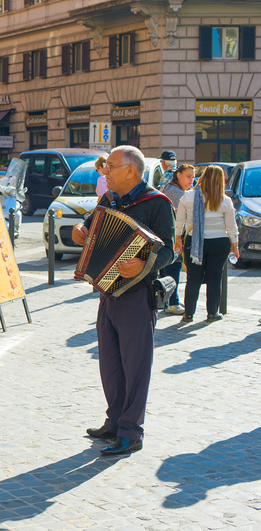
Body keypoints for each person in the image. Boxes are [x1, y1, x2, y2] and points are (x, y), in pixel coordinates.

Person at [71, 145, 175, 455]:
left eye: (111, 166)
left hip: (136, 295)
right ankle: (114, 422)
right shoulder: (108, 199)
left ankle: (131, 431)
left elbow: (169, 251)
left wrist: (144, 265)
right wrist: (81, 231)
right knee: (111, 365)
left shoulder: (157, 203)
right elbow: (90, 225)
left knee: (135, 366)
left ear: (131, 170)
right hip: (107, 291)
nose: (105, 171)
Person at [175, 165, 239, 324]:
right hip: (219, 243)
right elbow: (231, 227)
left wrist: (177, 240)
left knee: (193, 279)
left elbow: (179, 221)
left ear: (203, 177)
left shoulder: (188, 197)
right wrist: (235, 246)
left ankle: (188, 314)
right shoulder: (224, 200)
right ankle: (212, 313)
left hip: (194, 242)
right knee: (214, 278)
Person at [160, 164, 195, 316]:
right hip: (173, 237)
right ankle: (172, 302)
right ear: (178, 175)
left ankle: (167, 300)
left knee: (166, 269)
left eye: (193, 177)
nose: (191, 180)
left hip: (167, 235)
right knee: (173, 269)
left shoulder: (171, 188)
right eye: (188, 176)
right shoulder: (177, 192)